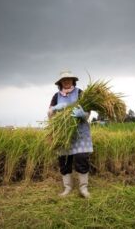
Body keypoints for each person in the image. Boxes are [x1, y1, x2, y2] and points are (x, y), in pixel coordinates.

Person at [48, 70, 93, 198]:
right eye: (64, 80)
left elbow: (88, 113)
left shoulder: (80, 93)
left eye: (69, 79)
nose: (66, 81)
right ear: (60, 82)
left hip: (80, 132)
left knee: (81, 158)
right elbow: (50, 114)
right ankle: (67, 188)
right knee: (64, 160)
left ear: (73, 80)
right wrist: (55, 109)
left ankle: (83, 188)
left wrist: (82, 114)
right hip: (63, 133)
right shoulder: (56, 96)